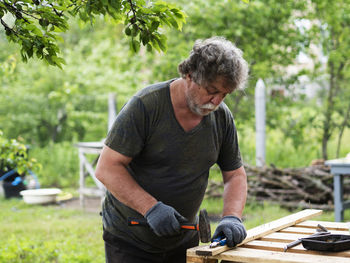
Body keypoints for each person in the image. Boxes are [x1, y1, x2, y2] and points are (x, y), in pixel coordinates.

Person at [95, 36, 249, 263]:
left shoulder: (221, 117)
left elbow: (235, 175)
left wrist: (232, 217)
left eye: (224, 94)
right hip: (130, 238)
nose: (216, 101)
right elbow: (107, 168)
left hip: (183, 240)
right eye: (211, 90)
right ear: (189, 75)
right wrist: (151, 208)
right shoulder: (146, 106)